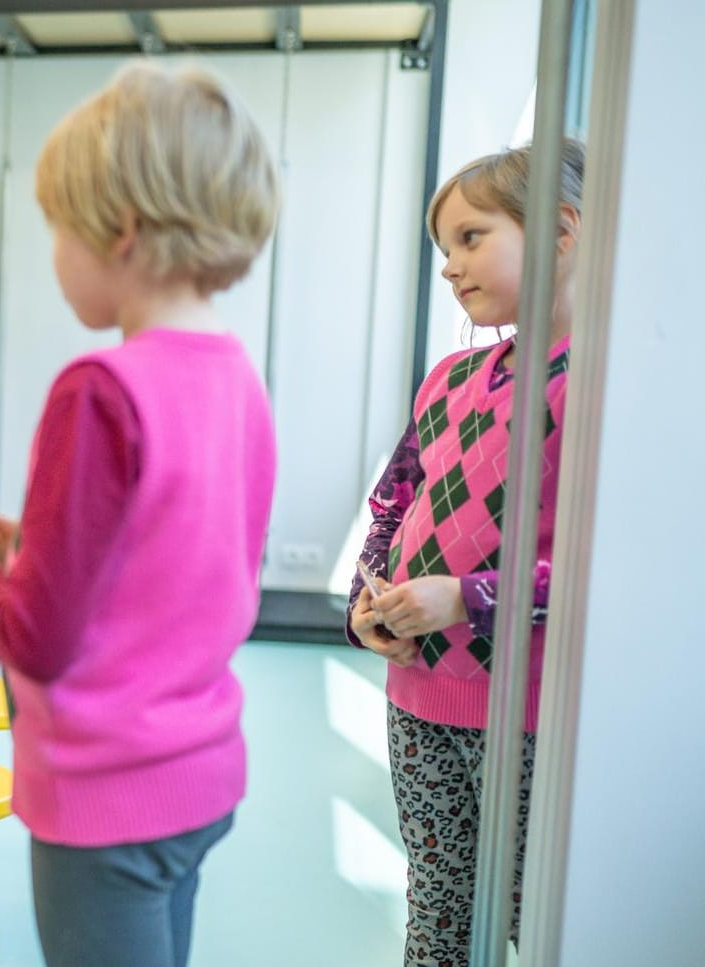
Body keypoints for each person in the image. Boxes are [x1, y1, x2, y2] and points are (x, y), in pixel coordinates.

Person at [0, 62, 279, 967]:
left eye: (56, 227)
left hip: (106, 801)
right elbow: (177, 555)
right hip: (201, 775)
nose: (52, 255)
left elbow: (36, 636)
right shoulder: (235, 375)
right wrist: (28, 539)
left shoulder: (99, 391)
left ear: (118, 230)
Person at [347, 138, 584, 967]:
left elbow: (611, 564)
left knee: (533, 912)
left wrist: (469, 597)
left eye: (470, 238)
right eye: (443, 246)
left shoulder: (599, 384)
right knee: (440, 903)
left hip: (531, 713)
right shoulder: (448, 378)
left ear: (560, 229)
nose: (450, 266)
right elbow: (393, 506)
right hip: (418, 695)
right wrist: (365, 606)